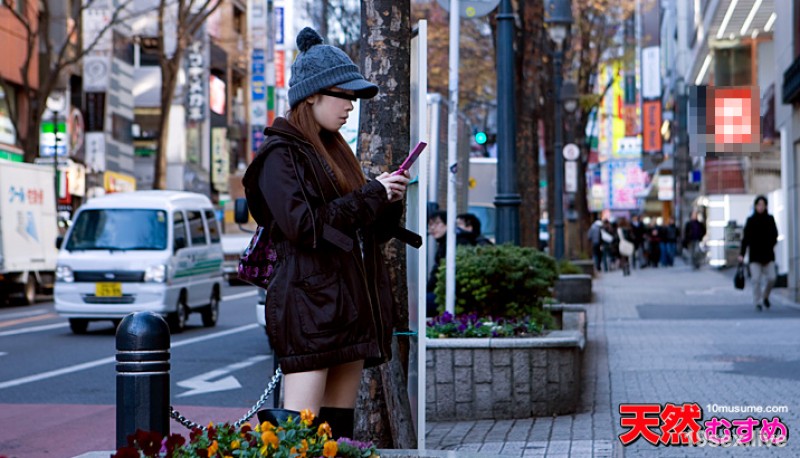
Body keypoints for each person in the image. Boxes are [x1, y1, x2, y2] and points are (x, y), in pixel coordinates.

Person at [242, 27, 419, 438]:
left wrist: (384, 199)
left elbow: (357, 231)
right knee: (300, 435)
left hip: (346, 307)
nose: (350, 107)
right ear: (312, 96)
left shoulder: (335, 152)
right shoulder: (280, 155)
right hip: (309, 309)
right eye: (344, 96)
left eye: (353, 99)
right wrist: (370, 195)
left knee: (336, 433)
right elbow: (305, 227)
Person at [426, 211, 472, 316]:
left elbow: (440, 271)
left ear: (448, 224)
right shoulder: (444, 242)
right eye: (430, 224)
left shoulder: (456, 242)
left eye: (437, 224)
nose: (432, 228)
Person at [738, 195, 779, 311]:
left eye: (763, 205)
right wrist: (742, 254)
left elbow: (775, 235)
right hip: (755, 256)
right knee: (755, 280)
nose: (761, 207)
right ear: (755, 206)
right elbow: (745, 239)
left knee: (772, 278)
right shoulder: (750, 221)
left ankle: (765, 296)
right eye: (758, 205)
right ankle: (758, 301)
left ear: (766, 206)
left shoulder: (770, 219)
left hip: (768, 255)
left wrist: (770, 245)